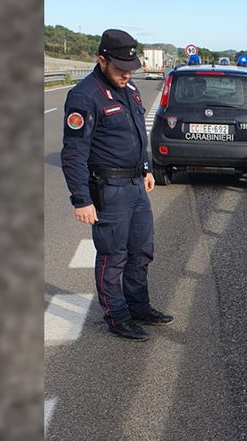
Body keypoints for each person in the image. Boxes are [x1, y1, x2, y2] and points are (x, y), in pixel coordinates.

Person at [60, 29, 174, 341]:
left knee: (141, 251)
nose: (127, 74)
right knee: (113, 255)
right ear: (101, 60)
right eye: (121, 68)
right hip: (109, 189)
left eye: (131, 68)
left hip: (136, 185)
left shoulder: (129, 87)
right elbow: (73, 153)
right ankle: (117, 315)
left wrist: (147, 167)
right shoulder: (84, 97)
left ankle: (139, 307)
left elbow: (139, 132)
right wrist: (80, 199)